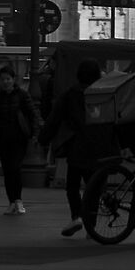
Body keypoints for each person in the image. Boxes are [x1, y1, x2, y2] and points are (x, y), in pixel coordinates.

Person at [39, 57, 101, 237]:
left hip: (76, 144)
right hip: (97, 144)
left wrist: (43, 138)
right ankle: (92, 223)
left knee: (73, 184)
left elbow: (54, 119)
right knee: (94, 185)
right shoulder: (102, 93)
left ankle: (77, 216)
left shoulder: (70, 93)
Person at [0, 63, 38, 216]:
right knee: (7, 171)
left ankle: (18, 200)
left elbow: (32, 114)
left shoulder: (22, 95)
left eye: (8, 79)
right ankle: (12, 201)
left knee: (15, 168)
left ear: (14, 79)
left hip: (19, 138)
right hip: (2, 139)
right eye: (3, 79)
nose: (5, 82)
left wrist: (34, 134)